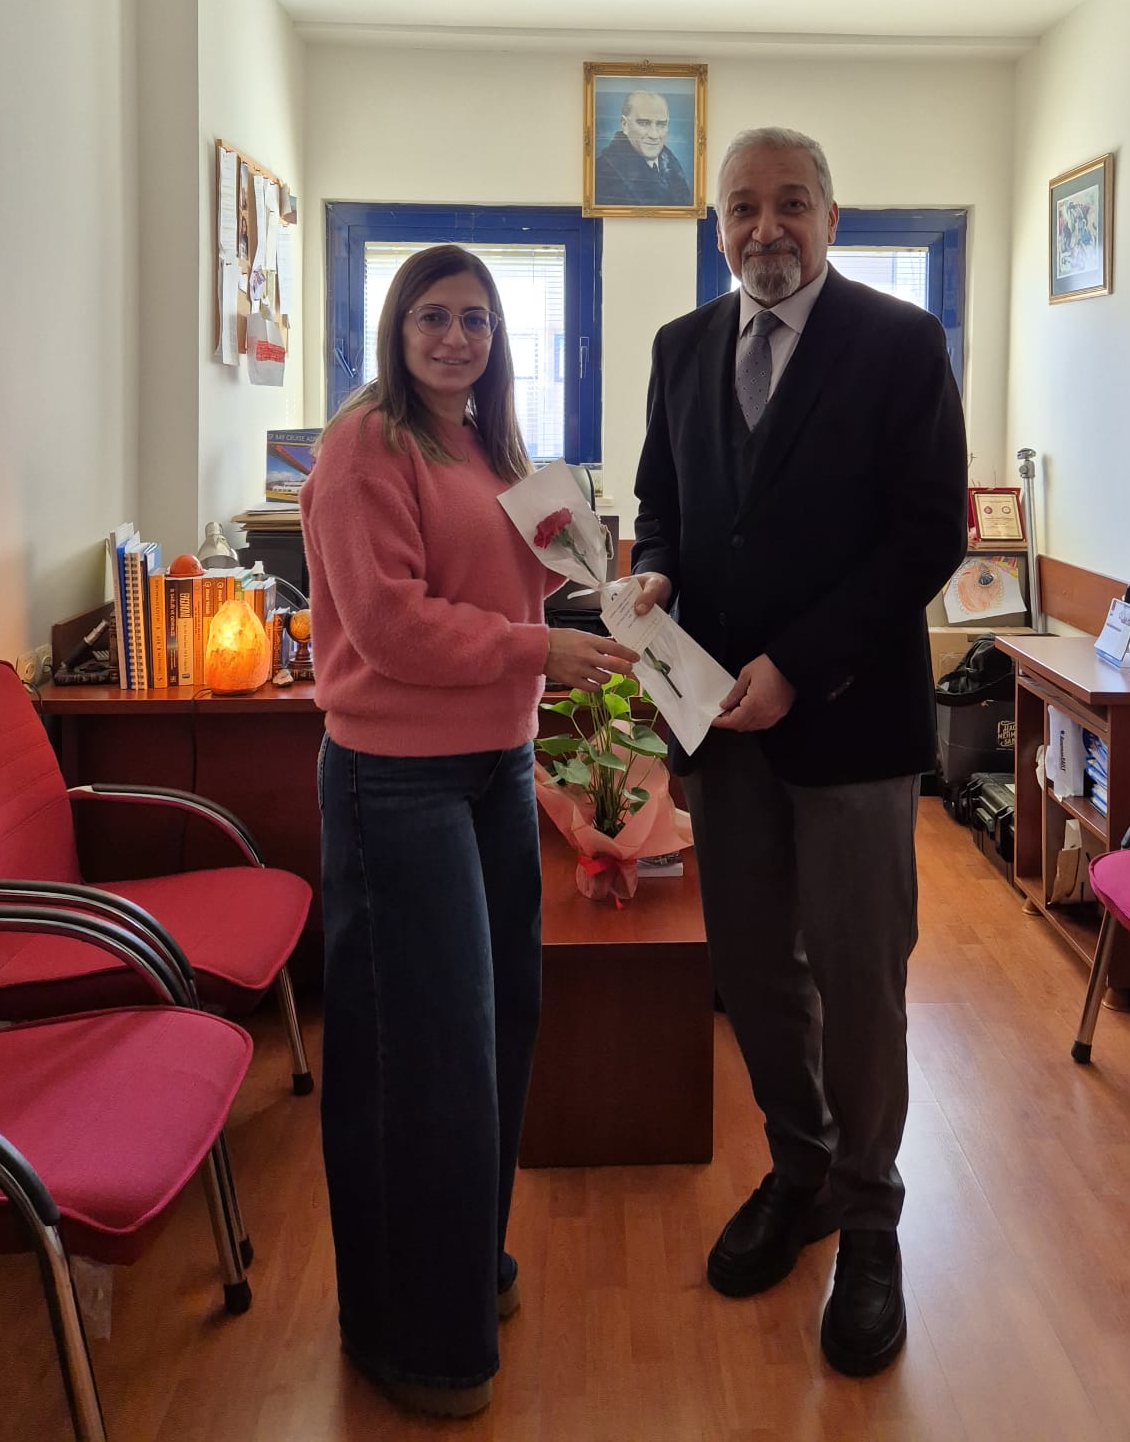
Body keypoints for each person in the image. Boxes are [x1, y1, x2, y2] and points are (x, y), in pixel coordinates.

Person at [630, 128, 966, 1378]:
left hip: (852, 722)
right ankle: (803, 1164)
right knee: (753, 964)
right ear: (717, 226)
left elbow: (928, 534)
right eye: (741, 208)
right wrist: (654, 569)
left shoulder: (900, 342)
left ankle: (871, 1218)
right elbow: (664, 504)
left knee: (863, 977)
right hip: (720, 725)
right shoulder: (679, 348)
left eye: (789, 204)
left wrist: (799, 663)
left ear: (833, 214)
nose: (764, 228)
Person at [300, 244, 636, 1419]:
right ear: (396, 328)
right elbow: (392, 626)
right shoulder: (365, 446)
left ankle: (460, 1268)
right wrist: (544, 646)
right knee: (421, 1058)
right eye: (434, 316)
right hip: (397, 780)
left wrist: (607, 596)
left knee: (497, 1030)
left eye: (477, 320)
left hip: (496, 764)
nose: (456, 338)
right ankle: (412, 1336)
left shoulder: (495, 448)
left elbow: (507, 593)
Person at [595, 90, 693, 206]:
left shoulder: (672, 167)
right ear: (624, 124)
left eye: (661, 124)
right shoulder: (602, 173)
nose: (654, 135)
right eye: (644, 123)